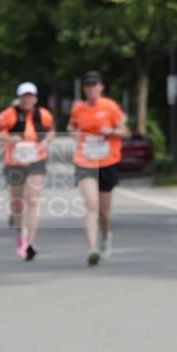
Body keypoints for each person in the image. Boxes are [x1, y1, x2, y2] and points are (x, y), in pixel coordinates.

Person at [68, 71, 130, 266]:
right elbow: (71, 127)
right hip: (85, 161)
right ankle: (92, 249)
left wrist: (112, 131)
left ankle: (106, 237)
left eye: (94, 85)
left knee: (104, 210)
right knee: (91, 205)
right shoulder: (78, 108)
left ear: (101, 87)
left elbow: (125, 132)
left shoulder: (110, 107)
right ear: (84, 89)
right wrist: (73, 133)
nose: (91, 89)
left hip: (107, 161)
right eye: (87, 86)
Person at [0, 84, 55, 260]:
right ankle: (21, 234)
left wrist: (46, 142)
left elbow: (51, 130)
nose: (27, 99)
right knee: (18, 202)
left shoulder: (43, 114)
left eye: (30, 96)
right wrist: (9, 138)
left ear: (35, 98)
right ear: (19, 98)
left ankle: (31, 243)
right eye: (24, 96)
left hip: (36, 159)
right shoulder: (8, 114)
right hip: (14, 161)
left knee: (32, 200)